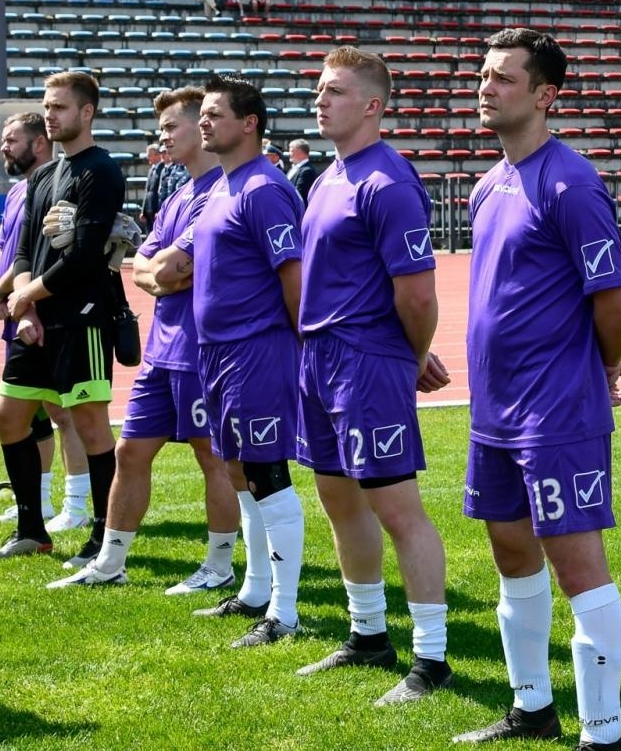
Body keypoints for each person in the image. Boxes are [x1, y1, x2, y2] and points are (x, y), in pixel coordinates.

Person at [452, 29, 621, 749]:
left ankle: (603, 731)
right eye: (484, 74)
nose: (486, 87)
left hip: (556, 411)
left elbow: (617, 303)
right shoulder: (487, 185)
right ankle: (532, 706)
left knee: (576, 562)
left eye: (503, 78)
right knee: (510, 551)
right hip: (494, 411)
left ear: (544, 95)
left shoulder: (572, 183)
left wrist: (600, 364)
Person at [293, 47, 455, 704]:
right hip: (320, 358)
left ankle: (432, 658)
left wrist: (409, 358)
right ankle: (366, 635)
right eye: (319, 91)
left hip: (365, 361)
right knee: (338, 498)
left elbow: (417, 293)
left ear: (372, 106)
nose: (319, 101)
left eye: (334, 91)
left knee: (396, 508)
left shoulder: (387, 182)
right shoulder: (327, 177)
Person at [46, 87, 243, 594]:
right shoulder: (179, 193)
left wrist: (159, 270)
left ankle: (219, 566)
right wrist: (158, 271)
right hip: (163, 350)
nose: (164, 136)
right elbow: (145, 268)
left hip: (203, 350)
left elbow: (173, 268)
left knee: (212, 459)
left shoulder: (220, 193)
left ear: (201, 126)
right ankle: (111, 561)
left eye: (172, 126)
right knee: (131, 452)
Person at [173, 74, 308, 648]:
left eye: (214, 114)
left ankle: (285, 611)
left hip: (257, 351)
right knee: (238, 471)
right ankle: (255, 590)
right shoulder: (223, 188)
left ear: (249, 123)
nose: (203, 122)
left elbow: (294, 278)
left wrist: (293, 346)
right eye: (200, 114)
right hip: (217, 353)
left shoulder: (264, 189)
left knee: (267, 474)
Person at [0, 71, 127, 567]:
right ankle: (31, 530)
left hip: (82, 319)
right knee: (8, 418)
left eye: (60, 107)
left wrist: (25, 300)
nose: (51, 114)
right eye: (47, 106)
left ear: (86, 113)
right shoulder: (42, 176)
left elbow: (86, 256)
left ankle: (104, 540)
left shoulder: (101, 171)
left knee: (89, 426)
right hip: (38, 320)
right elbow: (24, 252)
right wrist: (23, 300)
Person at [0, 112, 92, 534]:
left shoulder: (55, 189)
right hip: (18, 306)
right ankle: (40, 501)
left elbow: (38, 254)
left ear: (39, 143)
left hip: (44, 312)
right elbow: (2, 245)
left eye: (12, 140)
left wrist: (7, 294)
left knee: (67, 413)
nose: (4, 147)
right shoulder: (15, 192)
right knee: (34, 414)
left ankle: (77, 504)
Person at [141, 143, 190, 235]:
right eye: (161, 153)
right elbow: (155, 191)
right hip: (154, 207)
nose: (162, 155)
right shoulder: (164, 170)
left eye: (165, 152)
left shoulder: (175, 169)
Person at [286, 139, 319, 204]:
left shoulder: (307, 171)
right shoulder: (294, 168)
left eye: (291, 151)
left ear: (300, 152)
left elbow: (298, 195)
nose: (289, 153)